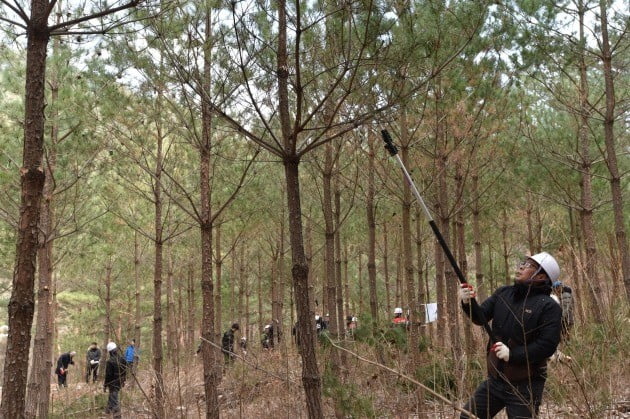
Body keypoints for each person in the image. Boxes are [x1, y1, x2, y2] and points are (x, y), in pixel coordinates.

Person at [459, 252, 563, 418]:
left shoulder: (549, 307)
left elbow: (547, 346)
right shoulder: (504, 293)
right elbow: (481, 317)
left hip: (526, 386)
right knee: (467, 416)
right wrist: (467, 302)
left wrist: (513, 355)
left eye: (529, 266)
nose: (521, 267)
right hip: (495, 381)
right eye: (523, 263)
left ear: (541, 277)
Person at [103, 341, 126, 418]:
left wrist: (105, 385)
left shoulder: (109, 361)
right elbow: (124, 371)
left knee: (114, 399)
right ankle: (108, 410)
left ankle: (117, 416)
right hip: (120, 381)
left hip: (113, 383)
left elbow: (108, 375)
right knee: (112, 395)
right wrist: (123, 381)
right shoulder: (123, 358)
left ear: (110, 351)